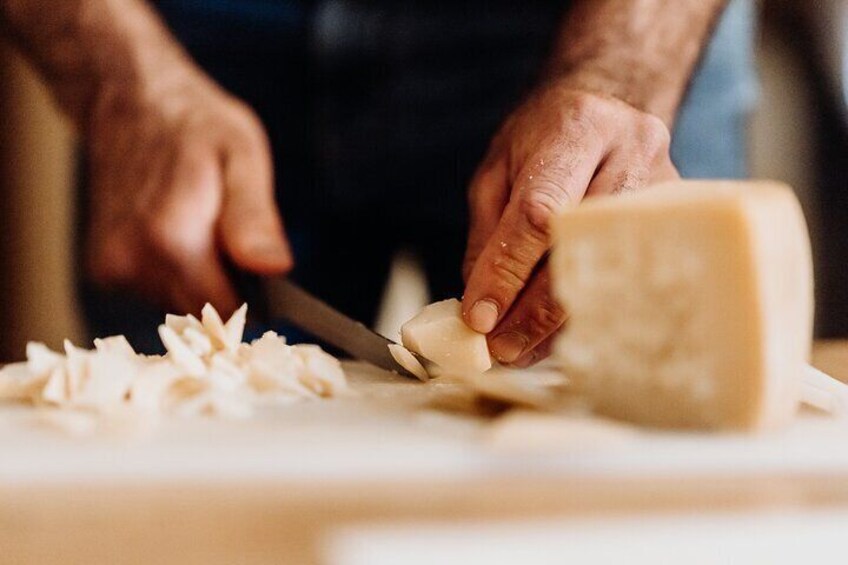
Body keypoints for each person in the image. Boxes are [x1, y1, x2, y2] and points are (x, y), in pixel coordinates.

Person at [0, 0, 756, 364]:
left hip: (595, 26)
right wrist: (118, 78)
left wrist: (624, 70)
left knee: (631, 490)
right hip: (181, 38)